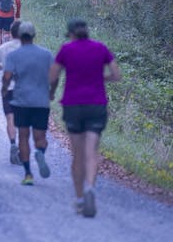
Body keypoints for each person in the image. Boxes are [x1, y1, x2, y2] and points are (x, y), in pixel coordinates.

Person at [49, 19, 122, 217]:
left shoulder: (66, 50)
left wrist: (52, 91)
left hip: (73, 105)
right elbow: (116, 74)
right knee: (92, 152)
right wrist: (99, 78)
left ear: (71, 34)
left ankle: (80, 198)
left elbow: (52, 76)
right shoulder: (100, 48)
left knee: (77, 155)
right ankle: (90, 187)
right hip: (96, 105)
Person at [2, 21, 53, 185]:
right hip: (41, 101)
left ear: (18, 35)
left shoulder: (13, 55)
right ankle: (40, 152)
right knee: (40, 136)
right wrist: (51, 91)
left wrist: (4, 89)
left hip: (21, 100)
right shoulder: (46, 54)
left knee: (23, 136)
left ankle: (28, 174)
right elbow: (55, 76)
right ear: (33, 35)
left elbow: (7, 77)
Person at [0, 19, 22, 165]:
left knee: (10, 119)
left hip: (8, 88)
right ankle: (22, 147)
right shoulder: (29, 48)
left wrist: (3, 68)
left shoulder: (4, 48)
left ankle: (13, 144)